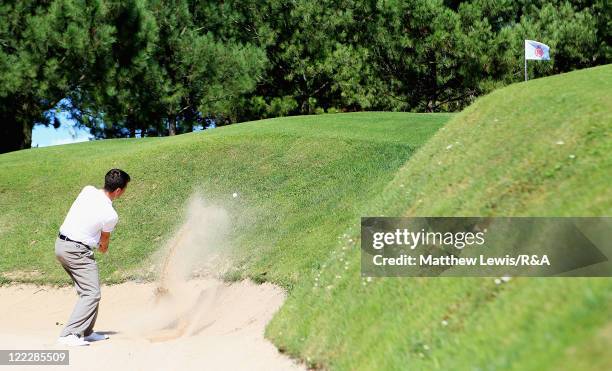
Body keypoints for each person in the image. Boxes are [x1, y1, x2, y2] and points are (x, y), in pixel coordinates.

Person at [55, 169, 130, 346]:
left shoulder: (87, 190)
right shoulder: (111, 215)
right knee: (91, 293)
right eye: (125, 189)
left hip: (61, 245)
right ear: (118, 191)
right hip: (76, 251)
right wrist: (102, 247)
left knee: (88, 290)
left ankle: (86, 331)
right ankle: (69, 334)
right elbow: (104, 244)